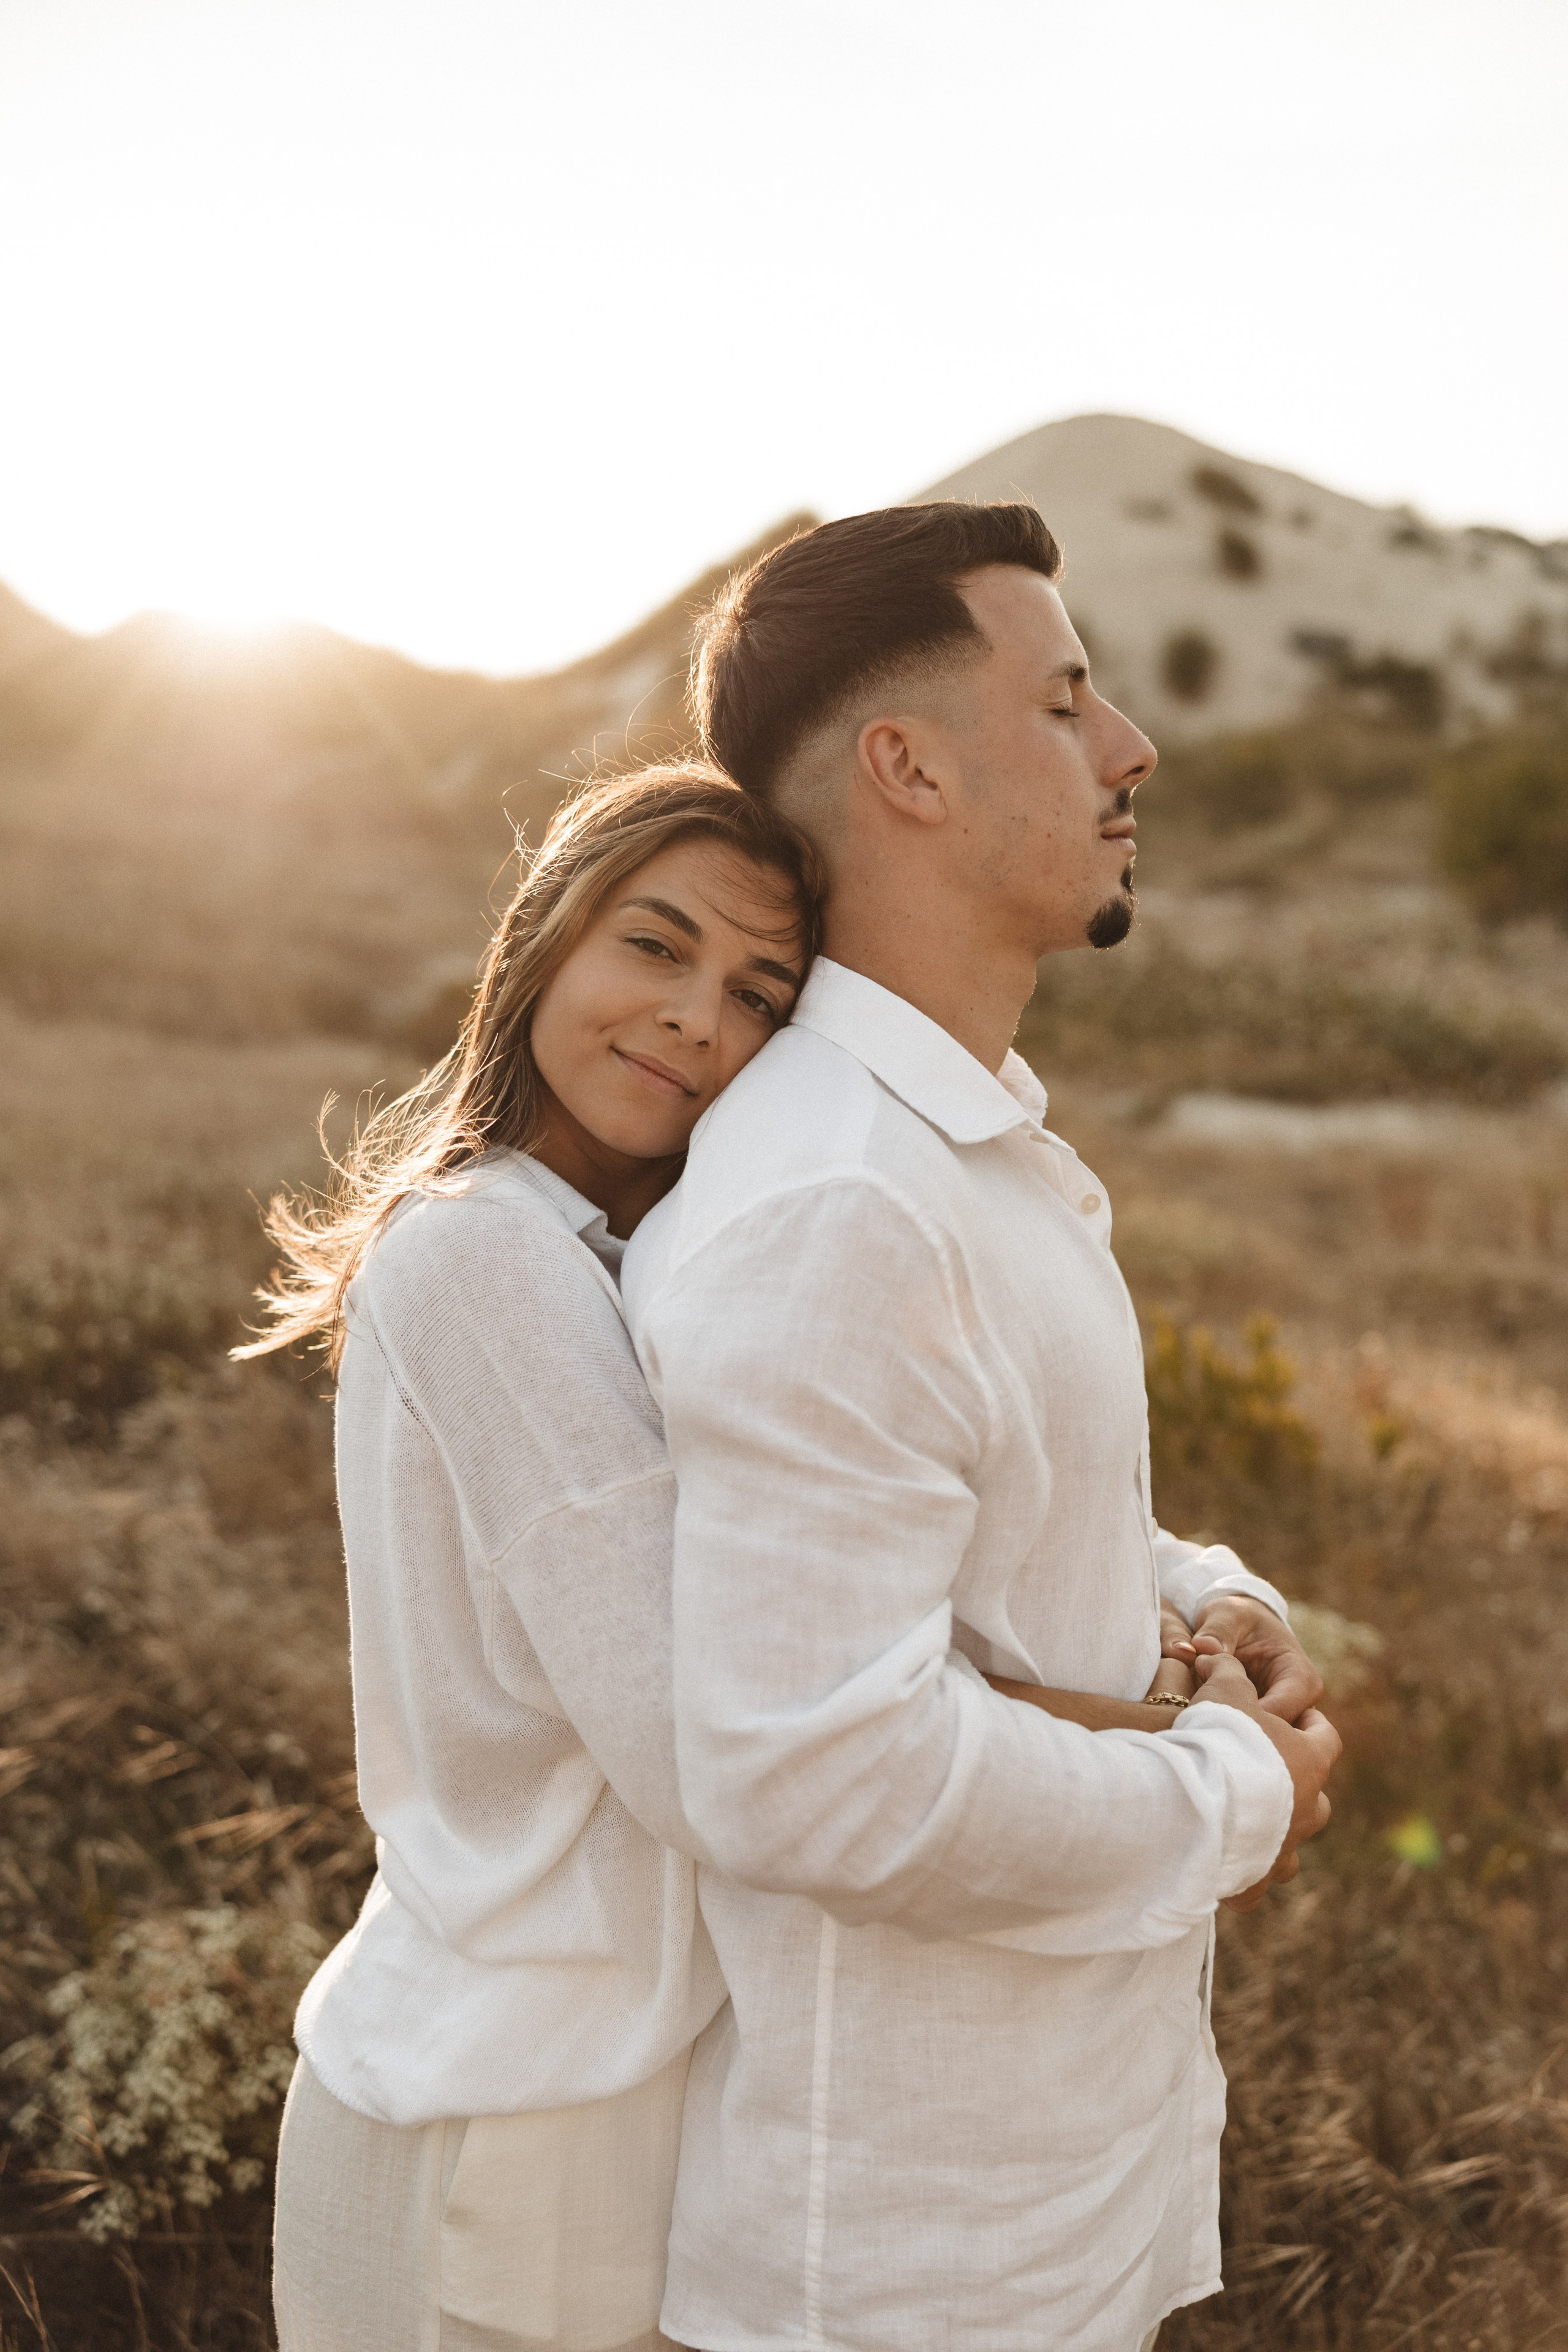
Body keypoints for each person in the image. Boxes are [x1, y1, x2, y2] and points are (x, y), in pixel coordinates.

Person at [620, 503, 1341, 2352]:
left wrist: (1202, 1592)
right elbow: (821, 1776)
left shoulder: (962, 1156)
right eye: (1068, 701)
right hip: (906, 2275)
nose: (1132, 749)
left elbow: (1004, 1501)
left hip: (1050, 2208)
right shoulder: (842, 1203)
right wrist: (1238, 1795)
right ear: (910, 769)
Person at [240, 766, 821, 2352]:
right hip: (507, 2124)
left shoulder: (625, 1260)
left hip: (574, 2094)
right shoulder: (485, 1254)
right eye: (657, 944)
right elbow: (703, 1736)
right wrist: (1149, 1747)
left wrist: (1195, 1597)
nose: (696, 1016)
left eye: (758, 993)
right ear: (547, 939)